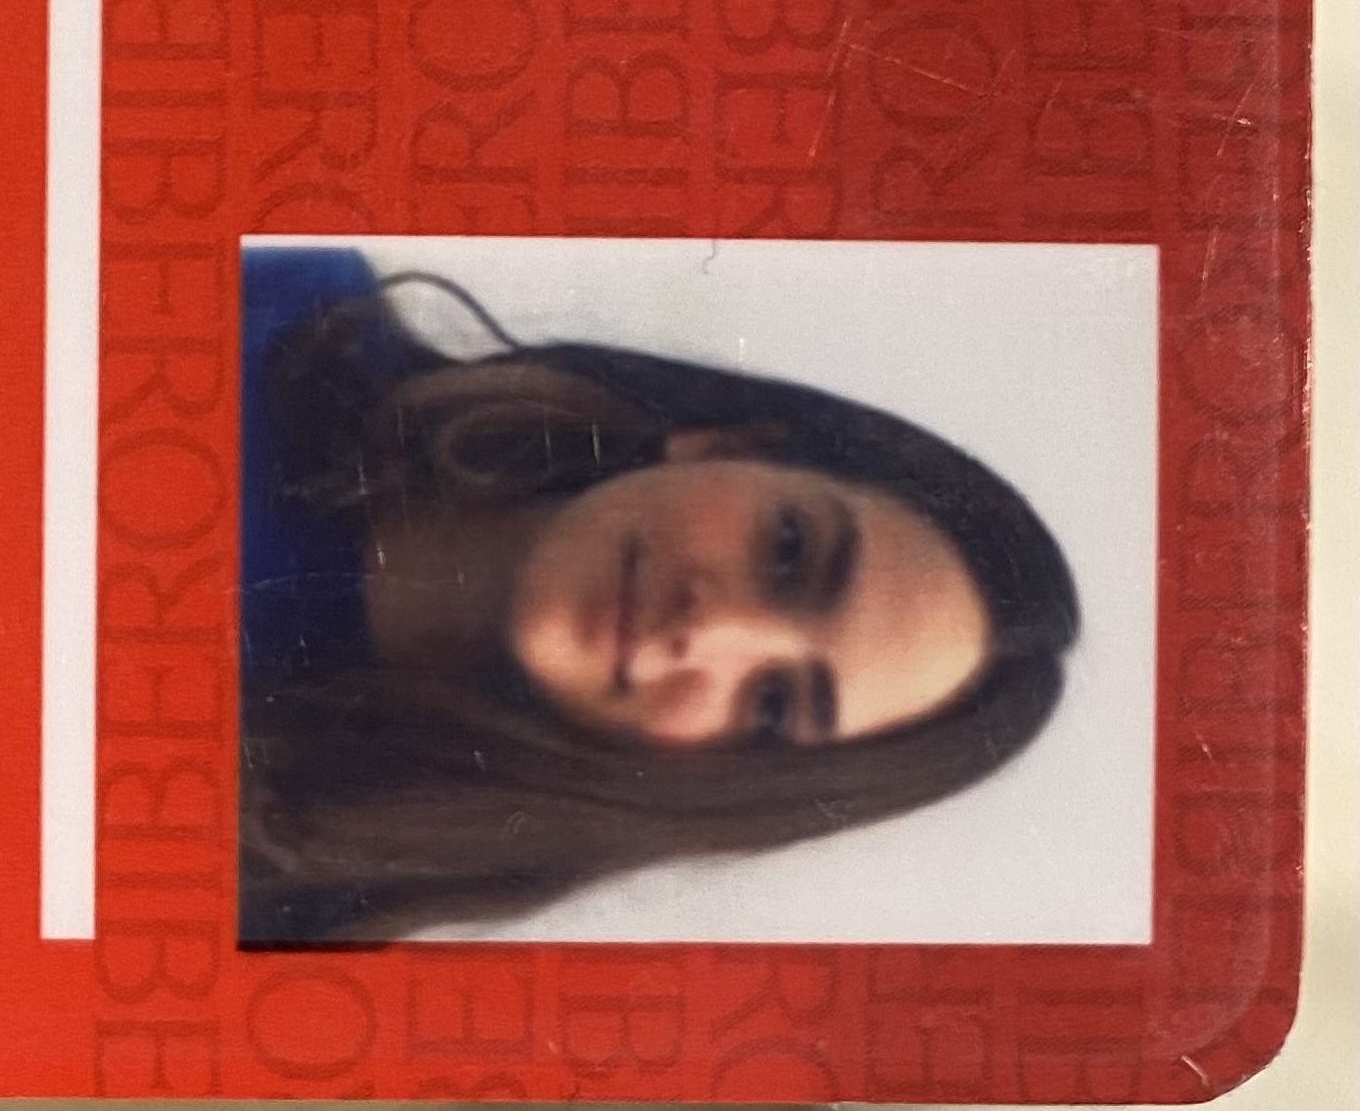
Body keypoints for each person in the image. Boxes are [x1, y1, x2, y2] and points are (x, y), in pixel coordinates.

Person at [239, 248, 1080, 944]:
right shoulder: (273, 300)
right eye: (788, 552)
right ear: (726, 445)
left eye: (771, 705)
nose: (712, 626)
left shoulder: (300, 912)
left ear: (714, 783)